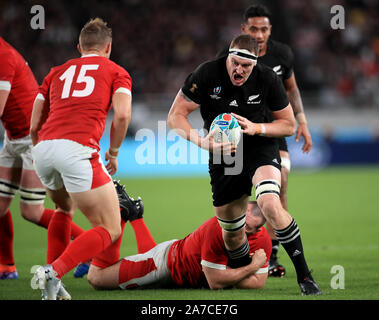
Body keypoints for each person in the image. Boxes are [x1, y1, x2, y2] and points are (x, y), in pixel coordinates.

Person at [168, 34, 321, 295]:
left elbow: (287, 124)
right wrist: (202, 143)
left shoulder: (267, 78)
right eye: (234, 62)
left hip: (258, 146)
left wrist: (256, 127)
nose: (238, 69)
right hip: (224, 153)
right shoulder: (207, 73)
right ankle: (241, 274)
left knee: (270, 203)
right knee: (232, 233)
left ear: (254, 64)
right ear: (228, 56)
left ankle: (305, 276)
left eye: (245, 66)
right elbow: (175, 116)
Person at [29, 18, 132, 300]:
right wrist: (113, 152)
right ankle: (54, 271)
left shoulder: (56, 72)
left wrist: (44, 148)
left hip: (44, 149)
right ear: (108, 47)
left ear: (79, 47)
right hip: (77, 150)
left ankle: (52, 285)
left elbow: (34, 123)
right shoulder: (116, 71)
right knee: (109, 228)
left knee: (63, 210)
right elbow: (122, 115)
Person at [217, 4, 313, 277]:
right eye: (254, 29)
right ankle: (238, 251)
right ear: (244, 29)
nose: (259, 34)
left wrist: (302, 121)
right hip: (238, 137)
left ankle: (271, 256)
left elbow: (291, 89)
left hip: (272, 132)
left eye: (264, 29)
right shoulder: (229, 56)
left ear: (270, 29)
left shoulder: (283, 54)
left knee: (277, 189)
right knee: (237, 198)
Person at [0, 37, 85, 280]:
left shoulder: (3, 56)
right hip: (13, 138)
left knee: (32, 211)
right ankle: (6, 267)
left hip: (32, 139)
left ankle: (87, 250)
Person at [87, 200, 271, 290]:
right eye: (241, 221)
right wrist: (253, 266)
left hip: (181, 262)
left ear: (257, 231)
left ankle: (134, 215)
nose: (240, 229)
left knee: (145, 256)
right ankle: (119, 216)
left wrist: (228, 275)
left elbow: (257, 283)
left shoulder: (262, 240)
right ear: (239, 210)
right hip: (166, 264)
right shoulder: (217, 227)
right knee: (96, 279)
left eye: (248, 227)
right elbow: (216, 281)